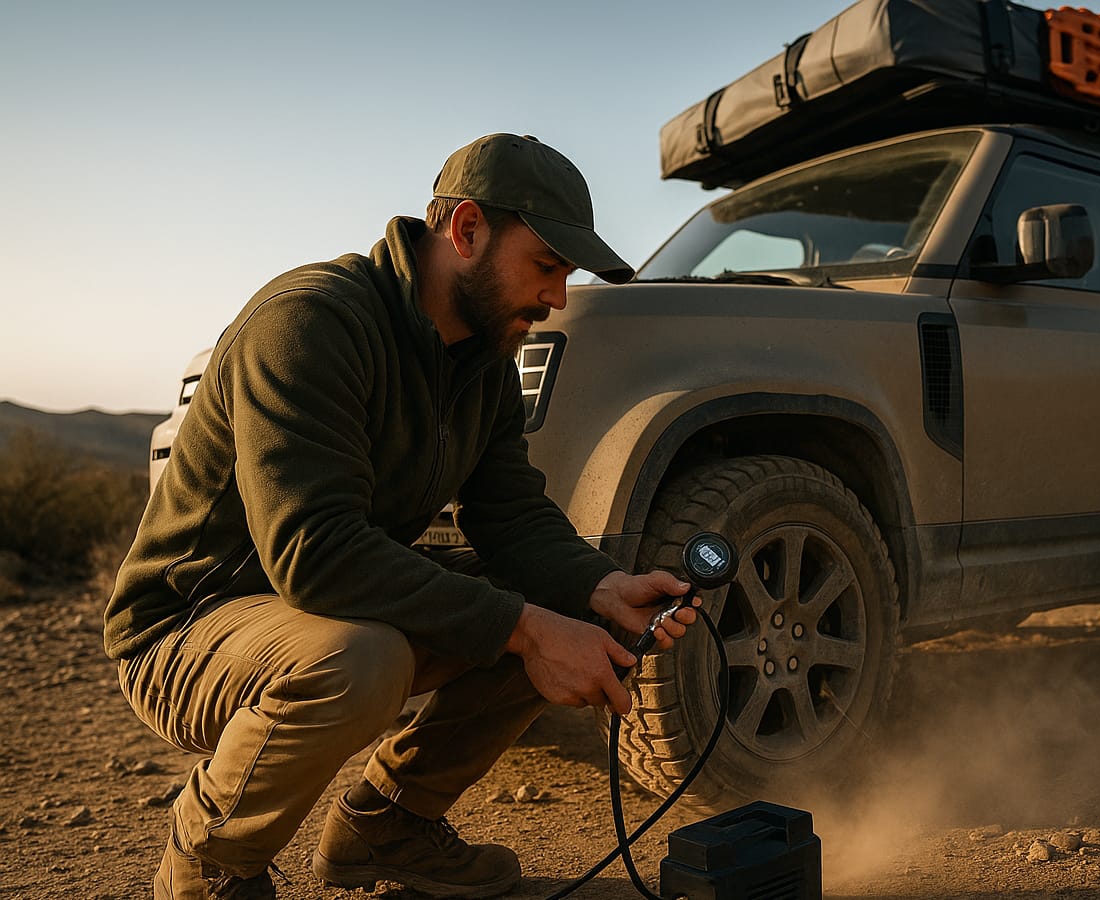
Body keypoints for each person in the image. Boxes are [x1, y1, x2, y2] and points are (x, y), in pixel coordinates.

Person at [104, 134, 697, 900]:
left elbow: (511, 516)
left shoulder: (480, 362)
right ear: (467, 231)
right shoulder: (310, 322)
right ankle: (208, 862)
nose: (557, 298)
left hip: (326, 610)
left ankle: (388, 825)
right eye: (547, 266)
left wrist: (602, 588)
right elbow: (313, 553)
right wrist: (525, 629)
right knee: (366, 657)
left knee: (567, 608)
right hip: (188, 629)